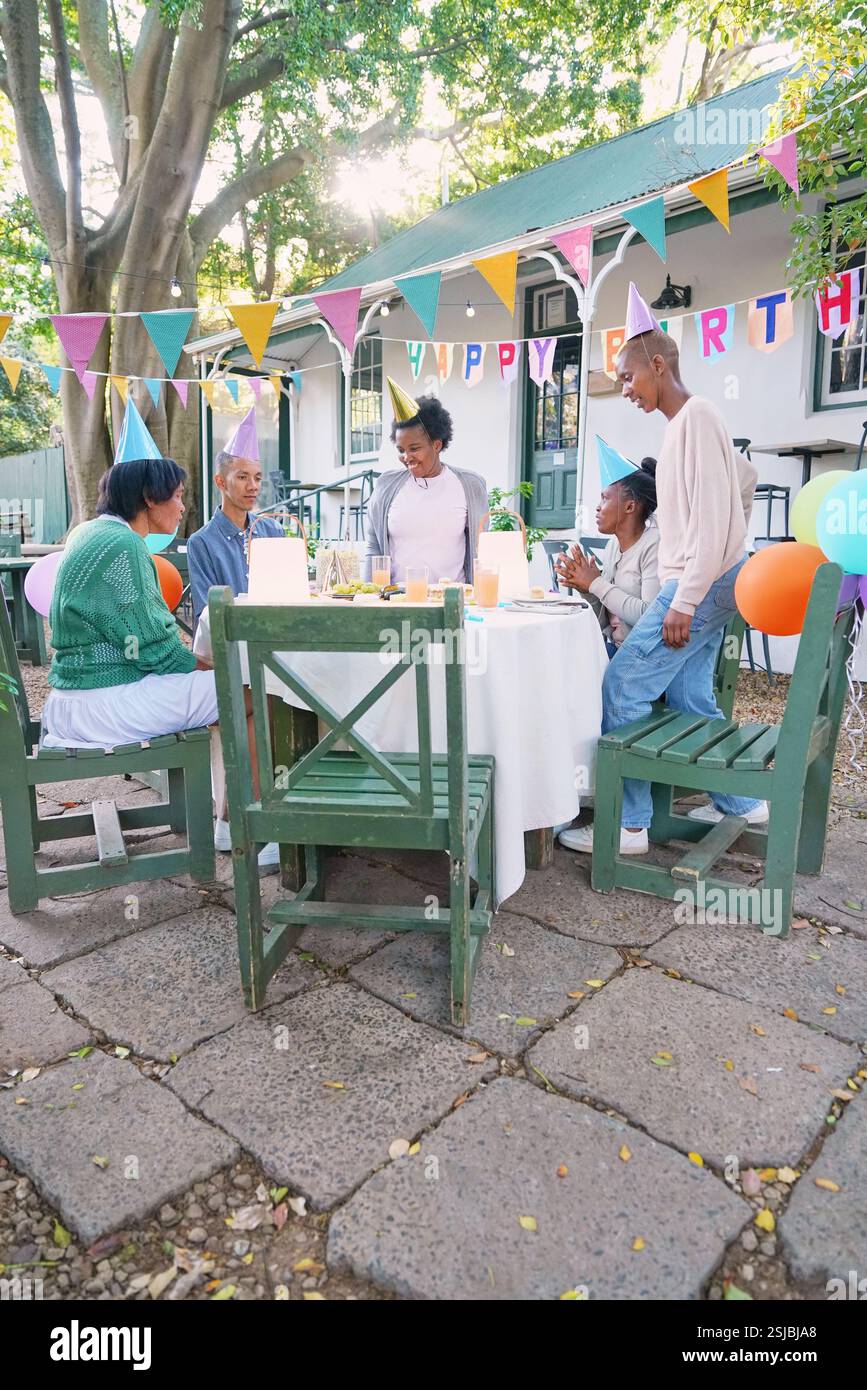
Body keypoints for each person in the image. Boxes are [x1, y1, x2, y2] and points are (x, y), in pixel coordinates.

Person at [564, 283, 767, 857]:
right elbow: (742, 482)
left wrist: (685, 597)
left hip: (696, 584)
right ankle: (742, 803)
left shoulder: (696, 416)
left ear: (657, 365)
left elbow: (705, 521)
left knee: (622, 682)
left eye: (628, 378)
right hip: (715, 579)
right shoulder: (686, 425)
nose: (624, 389)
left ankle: (629, 827)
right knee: (687, 694)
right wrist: (730, 544)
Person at [43, 400, 280, 868]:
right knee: (257, 693)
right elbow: (158, 650)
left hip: (77, 697)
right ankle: (256, 826)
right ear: (150, 499)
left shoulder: (91, 534)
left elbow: (146, 643)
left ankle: (228, 822)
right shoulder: (124, 546)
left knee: (227, 692)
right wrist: (219, 670)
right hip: (102, 705)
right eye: (177, 495)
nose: (182, 505)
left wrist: (210, 672)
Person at [363, 379, 488, 584]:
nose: (406, 457)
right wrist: (370, 601)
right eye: (401, 450)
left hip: (452, 602)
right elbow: (373, 548)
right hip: (398, 601)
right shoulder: (386, 486)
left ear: (437, 444)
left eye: (414, 448)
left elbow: (481, 550)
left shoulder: (470, 486)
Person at [555, 450, 660, 655]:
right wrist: (587, 588)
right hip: (614, 648)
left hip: (641, 657)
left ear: (630, 506)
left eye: (605, 499)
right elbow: (607, 620)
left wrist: (596, 583)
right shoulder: (613, 544)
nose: (597, 507)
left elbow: (650, 617)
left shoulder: (654, 545)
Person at [187, 406, 283, 626]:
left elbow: (287, 594)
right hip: (227, 649)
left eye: (258, 478)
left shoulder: (273, 531)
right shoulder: (202, 543)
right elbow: (208, 613)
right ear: (220, 481)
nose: (253, 486)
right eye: (242, 477)